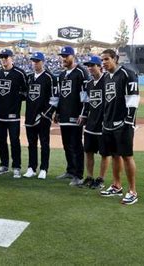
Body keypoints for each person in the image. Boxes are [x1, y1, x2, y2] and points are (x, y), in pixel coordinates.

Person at [99, 49, 140, 205]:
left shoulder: (128, 74)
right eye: (102, 60)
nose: (103, 62)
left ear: (115, 59)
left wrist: (128, 121)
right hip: (108, 123)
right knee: (114, 155)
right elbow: (107, 100)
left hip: (123, 124)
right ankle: (116, 185)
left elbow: (133, 99)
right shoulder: (106, 77)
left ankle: (133, 191)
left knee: (126, 156)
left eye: (106, 59)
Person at [55, 46, 89, 186]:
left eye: (66, 56)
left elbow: (85, 95)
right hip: (63, 114)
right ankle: (70, 170)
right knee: (66, 144)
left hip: (76, 115)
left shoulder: (81, 72)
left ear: (73, 56)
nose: (63, 58)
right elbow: (60, 95)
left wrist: (83, 113)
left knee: (76, 145)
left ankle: (78, 174)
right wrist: (57, 112)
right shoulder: (62, 75)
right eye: (62, 56)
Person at [0, 49, 28, 178]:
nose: (4, 59)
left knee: (14, 141)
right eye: (2, 57)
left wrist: (16, 99)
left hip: (13, 115)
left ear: (12, 58)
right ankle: (4, 165)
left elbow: (26, 91)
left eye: (6, 57)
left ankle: (16, 167)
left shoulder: (19, 74)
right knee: (1, 141)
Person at [23, 52, 58, 179]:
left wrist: (45, 114)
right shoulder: (29, 77)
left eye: (37, 61)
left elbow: (54, 99)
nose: (35, 63)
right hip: (30, 115)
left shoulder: (50, 77)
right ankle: (31, 167)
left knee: (44, 143)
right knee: (31, 143)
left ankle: (44, 168)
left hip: (43, 116)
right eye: (33, 61)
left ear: (43, 62)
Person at [78, 56, 109, 189]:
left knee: (104, 153)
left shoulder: (107, 81)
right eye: (88, 65)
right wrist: (83, 115)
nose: (90, 68)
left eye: (92, 65)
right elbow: (87, 103)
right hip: (91, 124)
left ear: (99, 66)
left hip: (103, 124)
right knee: (88, 151)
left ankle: (100, 179)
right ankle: (89, 177)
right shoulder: (89, 84)